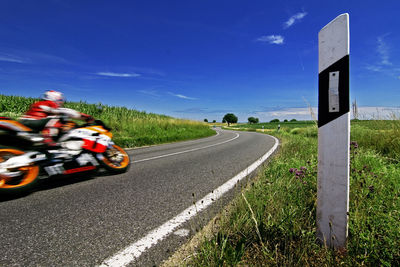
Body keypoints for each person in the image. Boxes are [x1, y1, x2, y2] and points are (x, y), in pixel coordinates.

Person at [19, 90, 94, 147]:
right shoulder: (49, 103)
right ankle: (48, 139)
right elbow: (65, 111)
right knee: (59, 117)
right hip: (33, 122)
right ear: (54, 98)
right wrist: (85, 117)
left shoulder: (38, 103)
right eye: (60, 99)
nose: (61, 102)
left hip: (24, 122)